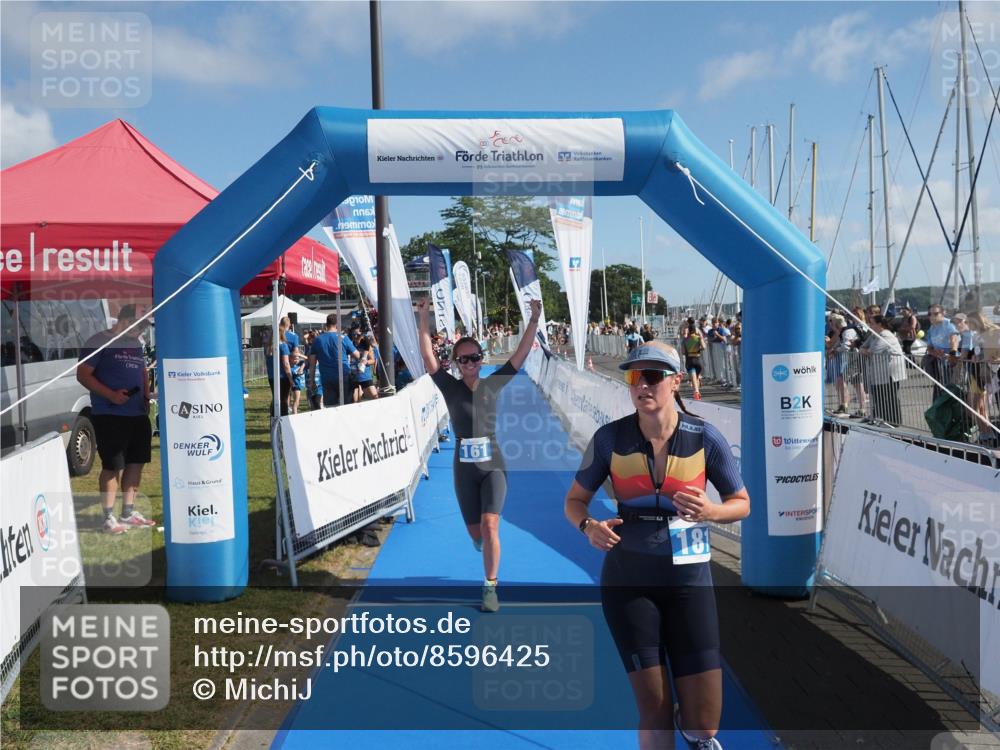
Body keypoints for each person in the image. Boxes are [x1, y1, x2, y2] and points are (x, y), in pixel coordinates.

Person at [565, 340, 749, 750]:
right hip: (628, 582)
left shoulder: (705, 437)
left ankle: (695, 731)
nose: (641, 385)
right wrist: (589, 526)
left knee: (705, 724)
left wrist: (710, 511)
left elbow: (742, 504)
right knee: (654, 708)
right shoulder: (610, 438)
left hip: (689, 582)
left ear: (676, 381)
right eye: (634, 377)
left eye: (652, 376)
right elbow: (573, 502)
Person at [417, 296, 542, 613]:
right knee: (476, 533)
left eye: (475, 358)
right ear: (456, 364)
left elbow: (520, 355)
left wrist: (534, 319)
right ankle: (479, 542)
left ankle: (490, 587)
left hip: (493, 465)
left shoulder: (493, 384)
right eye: (464, 360)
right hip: (464, 469)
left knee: (490, 526)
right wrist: (423, 317)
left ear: (481, 359)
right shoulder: (449, 387)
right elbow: (428, 355)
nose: (470, 364)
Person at [76, 305, 157, 534]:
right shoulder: (99, 340)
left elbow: (141, 371)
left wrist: (146, 394)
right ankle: (108, 517)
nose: (142, 329)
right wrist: (111, 395)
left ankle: (128, 512)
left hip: (137, 414)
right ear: (125, 319)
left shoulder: (135, 343)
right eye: (139, 324)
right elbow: (82, 374)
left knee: (136, 463)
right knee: (112, 465)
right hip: (110, 414)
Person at [859, 314, 906, 426]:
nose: (870, 325)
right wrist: (864, 350)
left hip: (890, 372)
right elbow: (863, 347)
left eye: (872, 323)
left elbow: (873, 351)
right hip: (879, 372)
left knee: (890, 397)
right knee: (878, 395)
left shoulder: (886, 335)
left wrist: (865, 350)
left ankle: (894, 421)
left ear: (880, 324)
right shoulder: (874, 335)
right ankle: (880, 418)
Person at [308, 313, 360, 407]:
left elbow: (312, 364)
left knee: (331, 407)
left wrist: (312, 381)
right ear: (337, 324)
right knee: (347, 406)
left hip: (327, 378)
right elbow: (357, 355)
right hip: (343, 375)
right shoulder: (343, 337)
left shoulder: (317, 340)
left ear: (326, 324)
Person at [265, 317, 294, 417]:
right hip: (282, 377)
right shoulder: (283, 346)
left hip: (271, 376)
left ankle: (273, 420)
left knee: (275, 398)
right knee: (284, 400)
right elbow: (286, 363)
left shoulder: (268, 347)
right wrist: (291, 378)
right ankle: (284, 421)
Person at [681, 322, 705, 400]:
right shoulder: (698, 338)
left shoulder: (685, 340)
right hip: (697, 360)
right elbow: (704, 347)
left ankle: (696, 392)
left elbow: (683, 352)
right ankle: (697, 392)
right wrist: (699, 348)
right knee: (696, 377)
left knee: (693, 378)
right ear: (695, 330)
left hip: (689, 360)